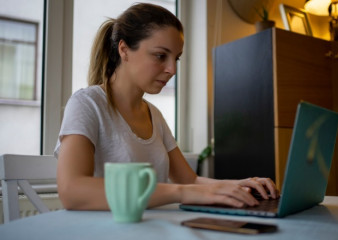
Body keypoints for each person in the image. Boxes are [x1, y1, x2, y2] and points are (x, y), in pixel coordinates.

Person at [55, 3, 279, 211]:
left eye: (176, 59)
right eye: (160, 56)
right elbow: (72, 191)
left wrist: (239, 185)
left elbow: (189, 180)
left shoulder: (154, 114)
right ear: (124, 50)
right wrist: (181, 192)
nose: (172, 69)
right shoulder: (87, 104)